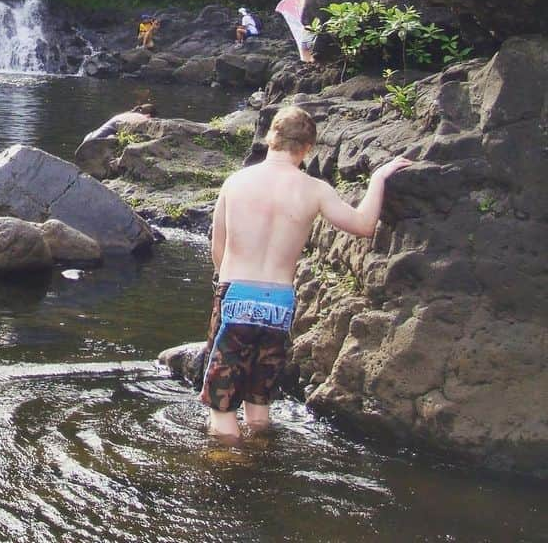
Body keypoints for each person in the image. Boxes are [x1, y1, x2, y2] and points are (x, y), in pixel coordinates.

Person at [200, 106, 413, 438]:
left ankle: (231, 473)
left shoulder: (236, 182)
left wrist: (223, 289)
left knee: (222, 408)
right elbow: (364, 225)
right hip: (280, 304)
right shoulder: (314, 189)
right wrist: (378, 178)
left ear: (271, 136)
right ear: (308, 148)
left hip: (236, 297)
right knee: (259, 405)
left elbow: (218, 250)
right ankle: (261, 459)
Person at [81, 103, 155, 144]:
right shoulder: (140, 117)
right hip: (96, 144)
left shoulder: (125, 115)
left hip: (88, 139)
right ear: (148, 115)